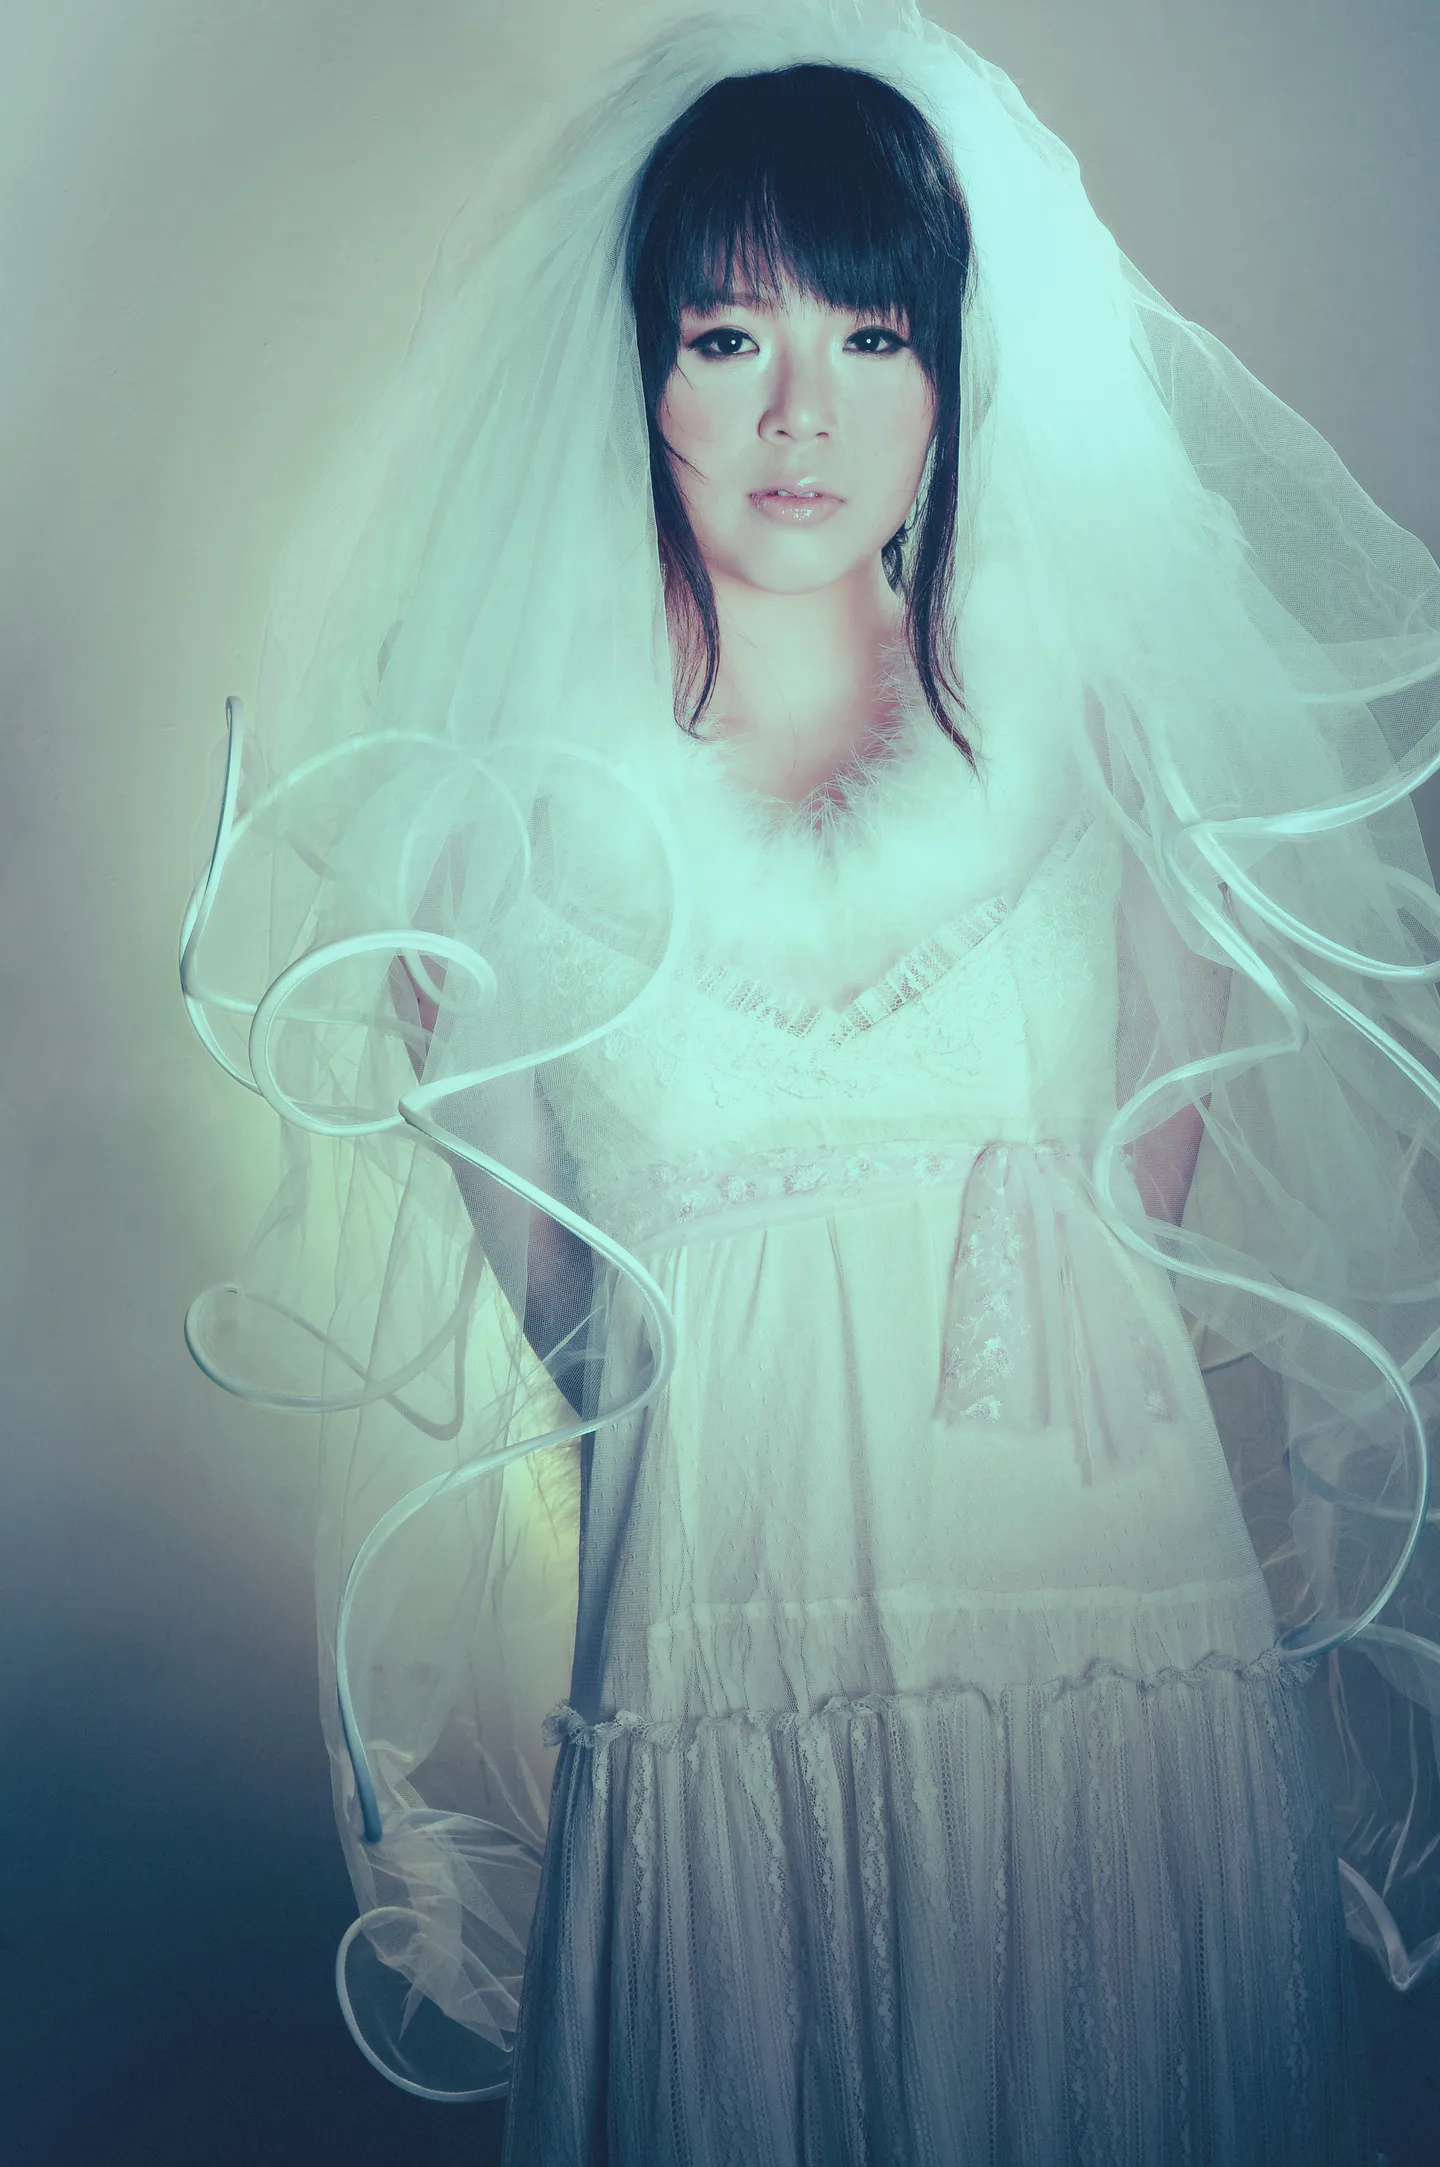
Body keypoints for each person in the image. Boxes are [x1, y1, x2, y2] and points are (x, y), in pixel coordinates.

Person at [179, 6, 1440, 2162]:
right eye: (725, 336)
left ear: (951, 378)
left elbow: (1147, 1210)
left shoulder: (1108, 755)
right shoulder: (490, 840)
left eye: (872, 335)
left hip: (1110, 1670)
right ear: (638, 370)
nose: (800, 414)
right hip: (721, 1678)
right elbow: (574, 1330)